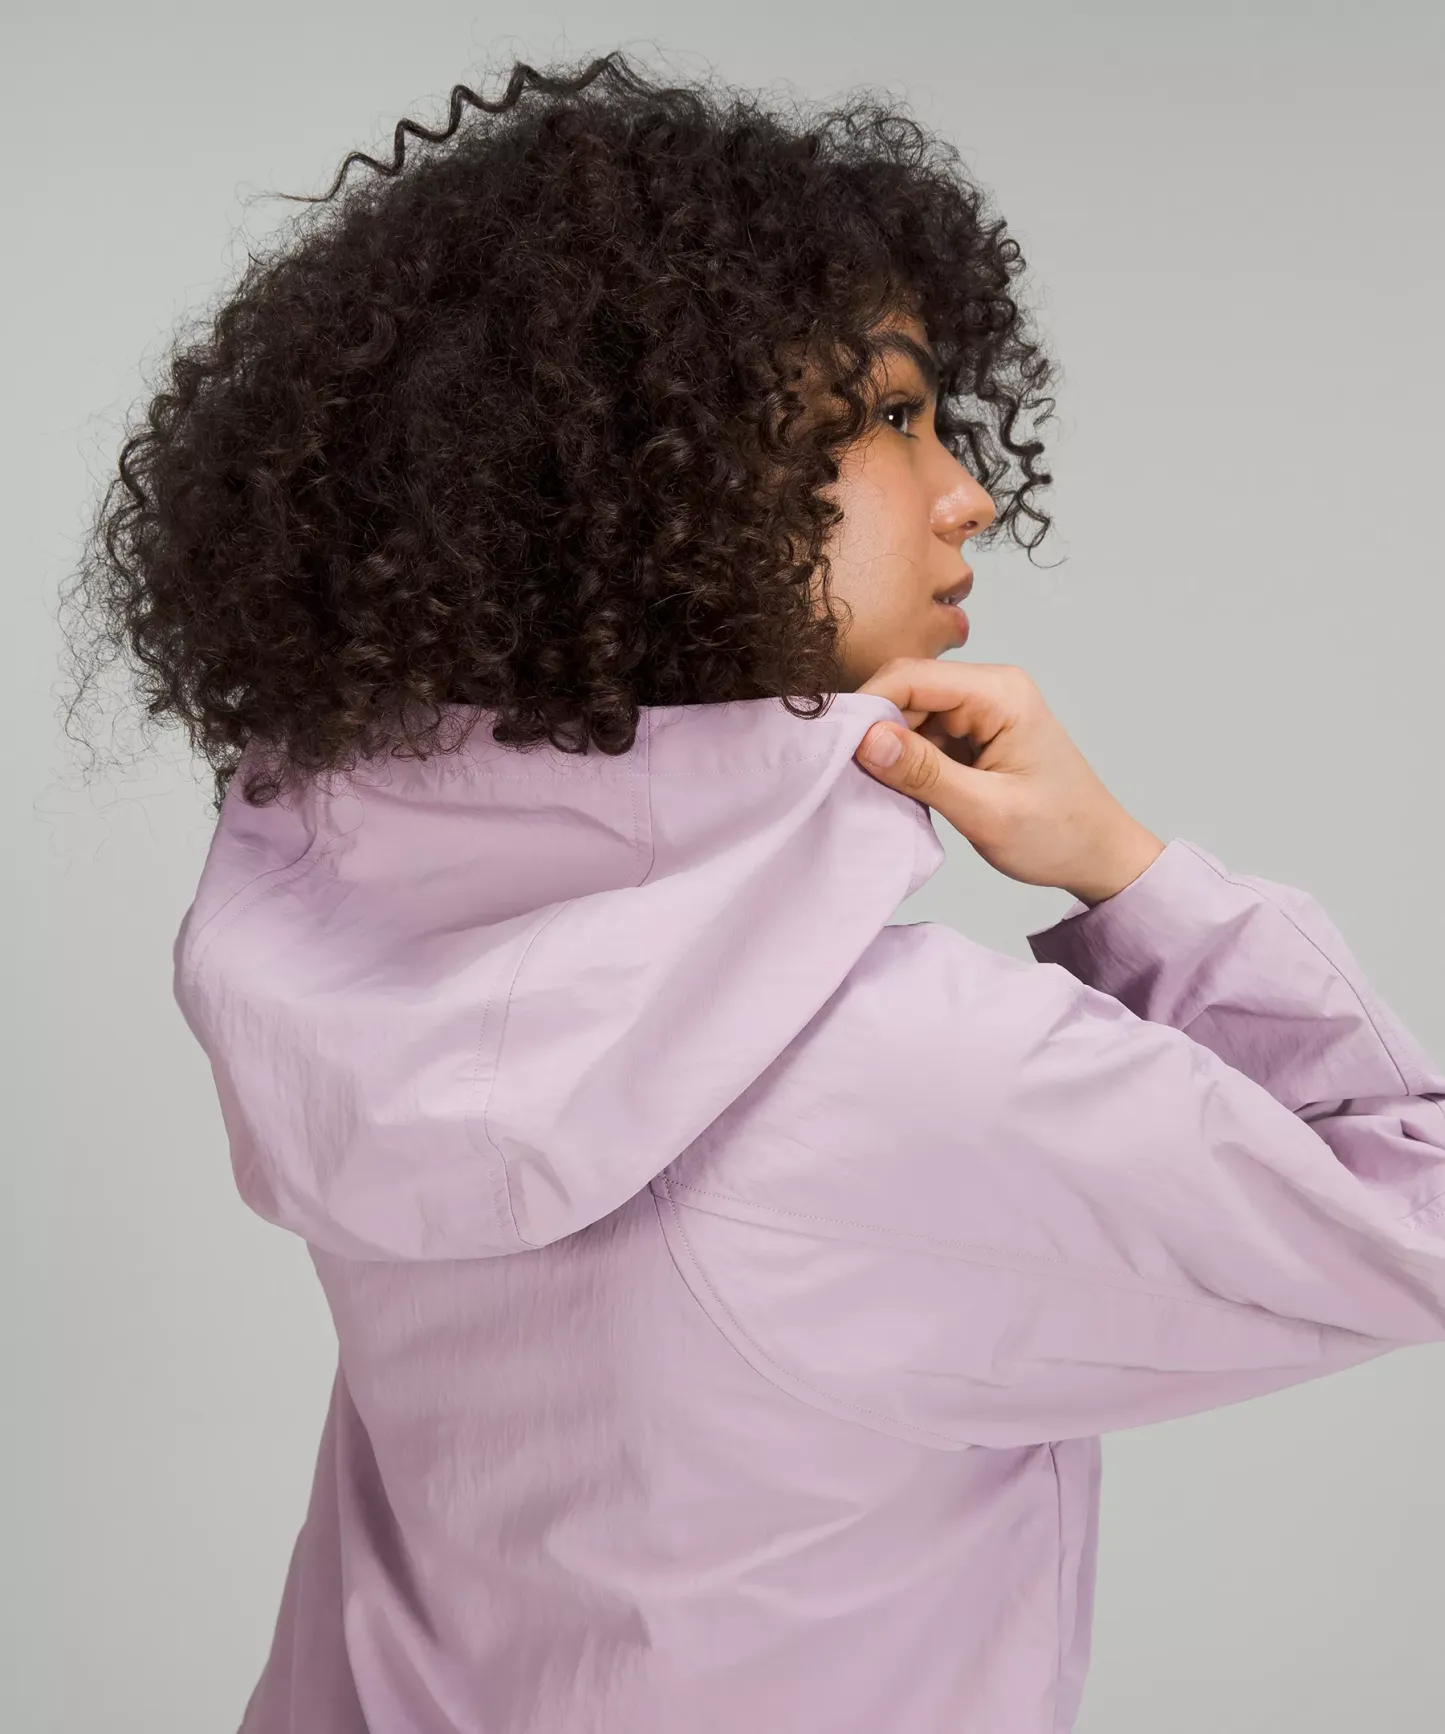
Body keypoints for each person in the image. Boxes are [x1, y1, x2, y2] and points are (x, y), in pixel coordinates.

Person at [61, 51, 1445, 1734]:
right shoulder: (902, 1064)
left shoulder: (366, 976)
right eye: (893, 416)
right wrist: (1124, 869)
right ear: (666, 475)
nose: (966, 490)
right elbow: (1417, 1204)